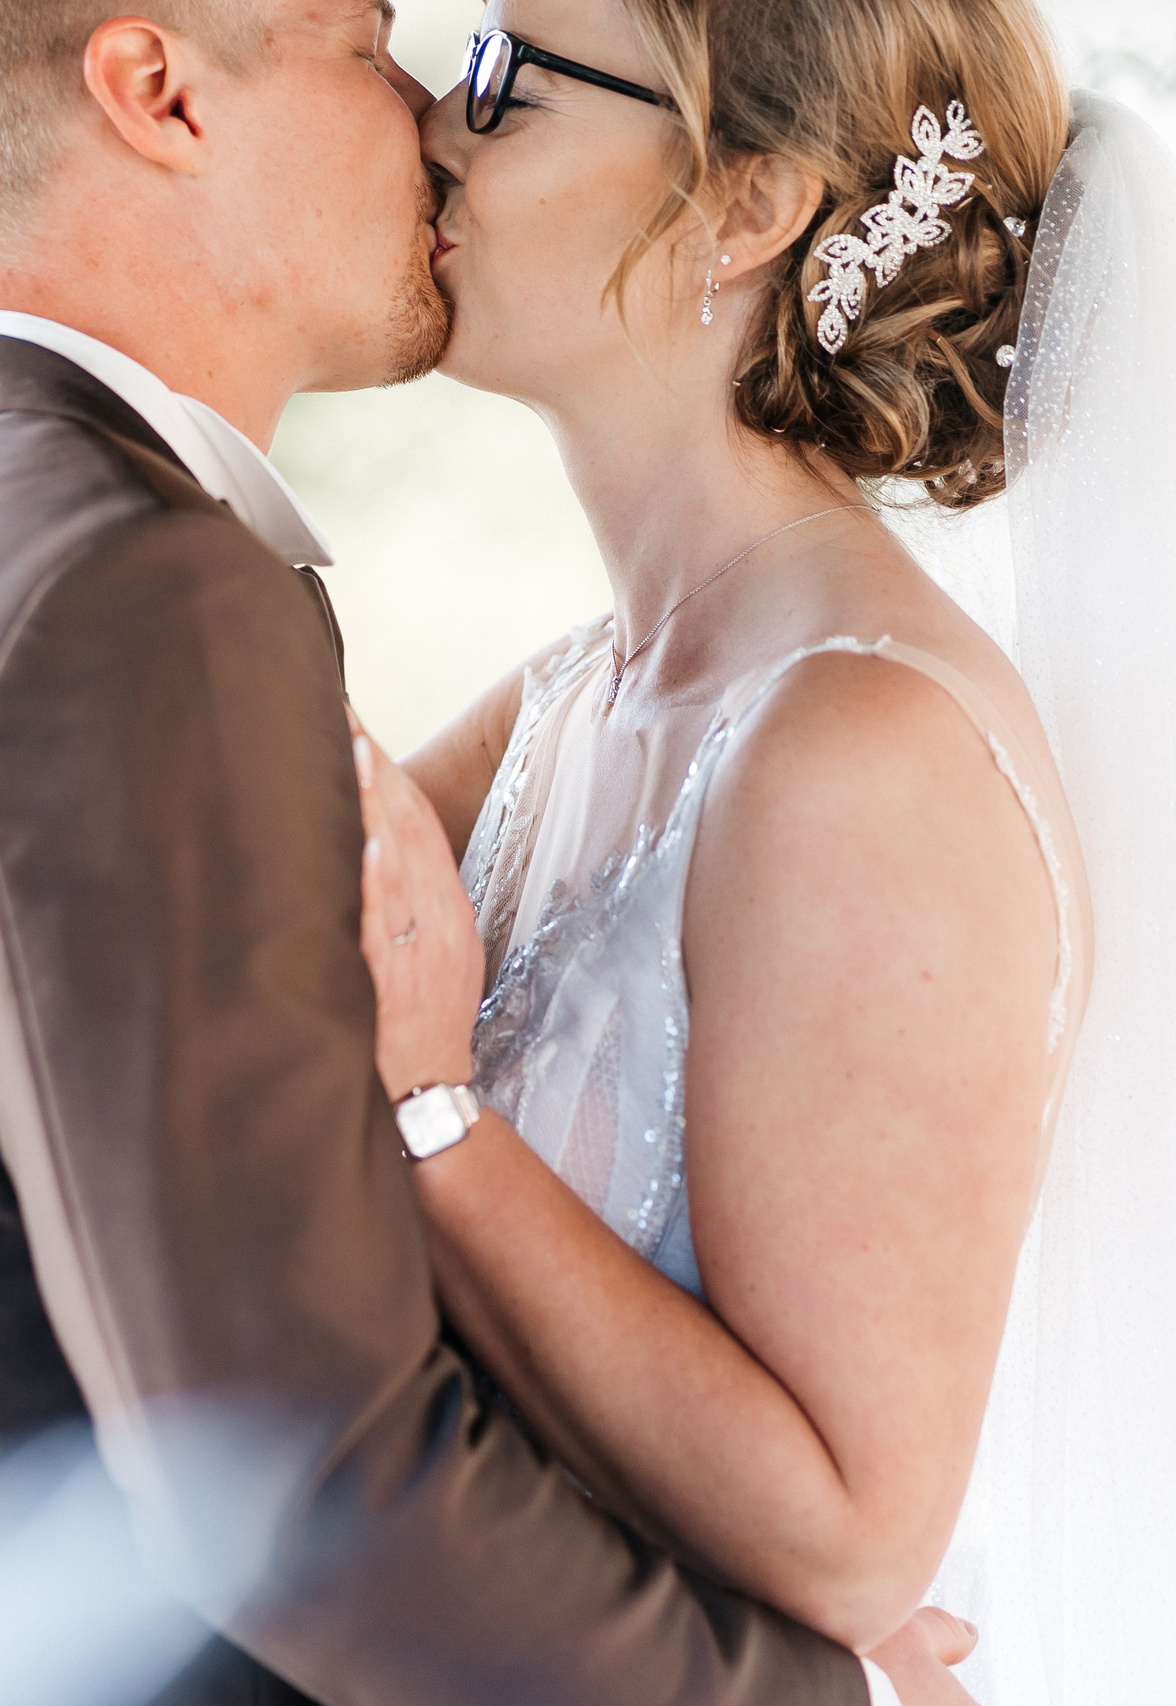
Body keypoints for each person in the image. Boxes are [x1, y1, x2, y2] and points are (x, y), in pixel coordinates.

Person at [0, 1, 965, 1700]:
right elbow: (299, 1482)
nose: (425, 106)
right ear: (159, 92)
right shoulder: (130, 604)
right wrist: (815, 1687)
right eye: (365, 44)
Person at [356, 1, 1176, 1700]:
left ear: (748, 205)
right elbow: (241, 947)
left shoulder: (864, 751)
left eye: (511, 80)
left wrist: (435, 1116)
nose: (432, 121)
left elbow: (852, 1533)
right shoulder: (568, 698)